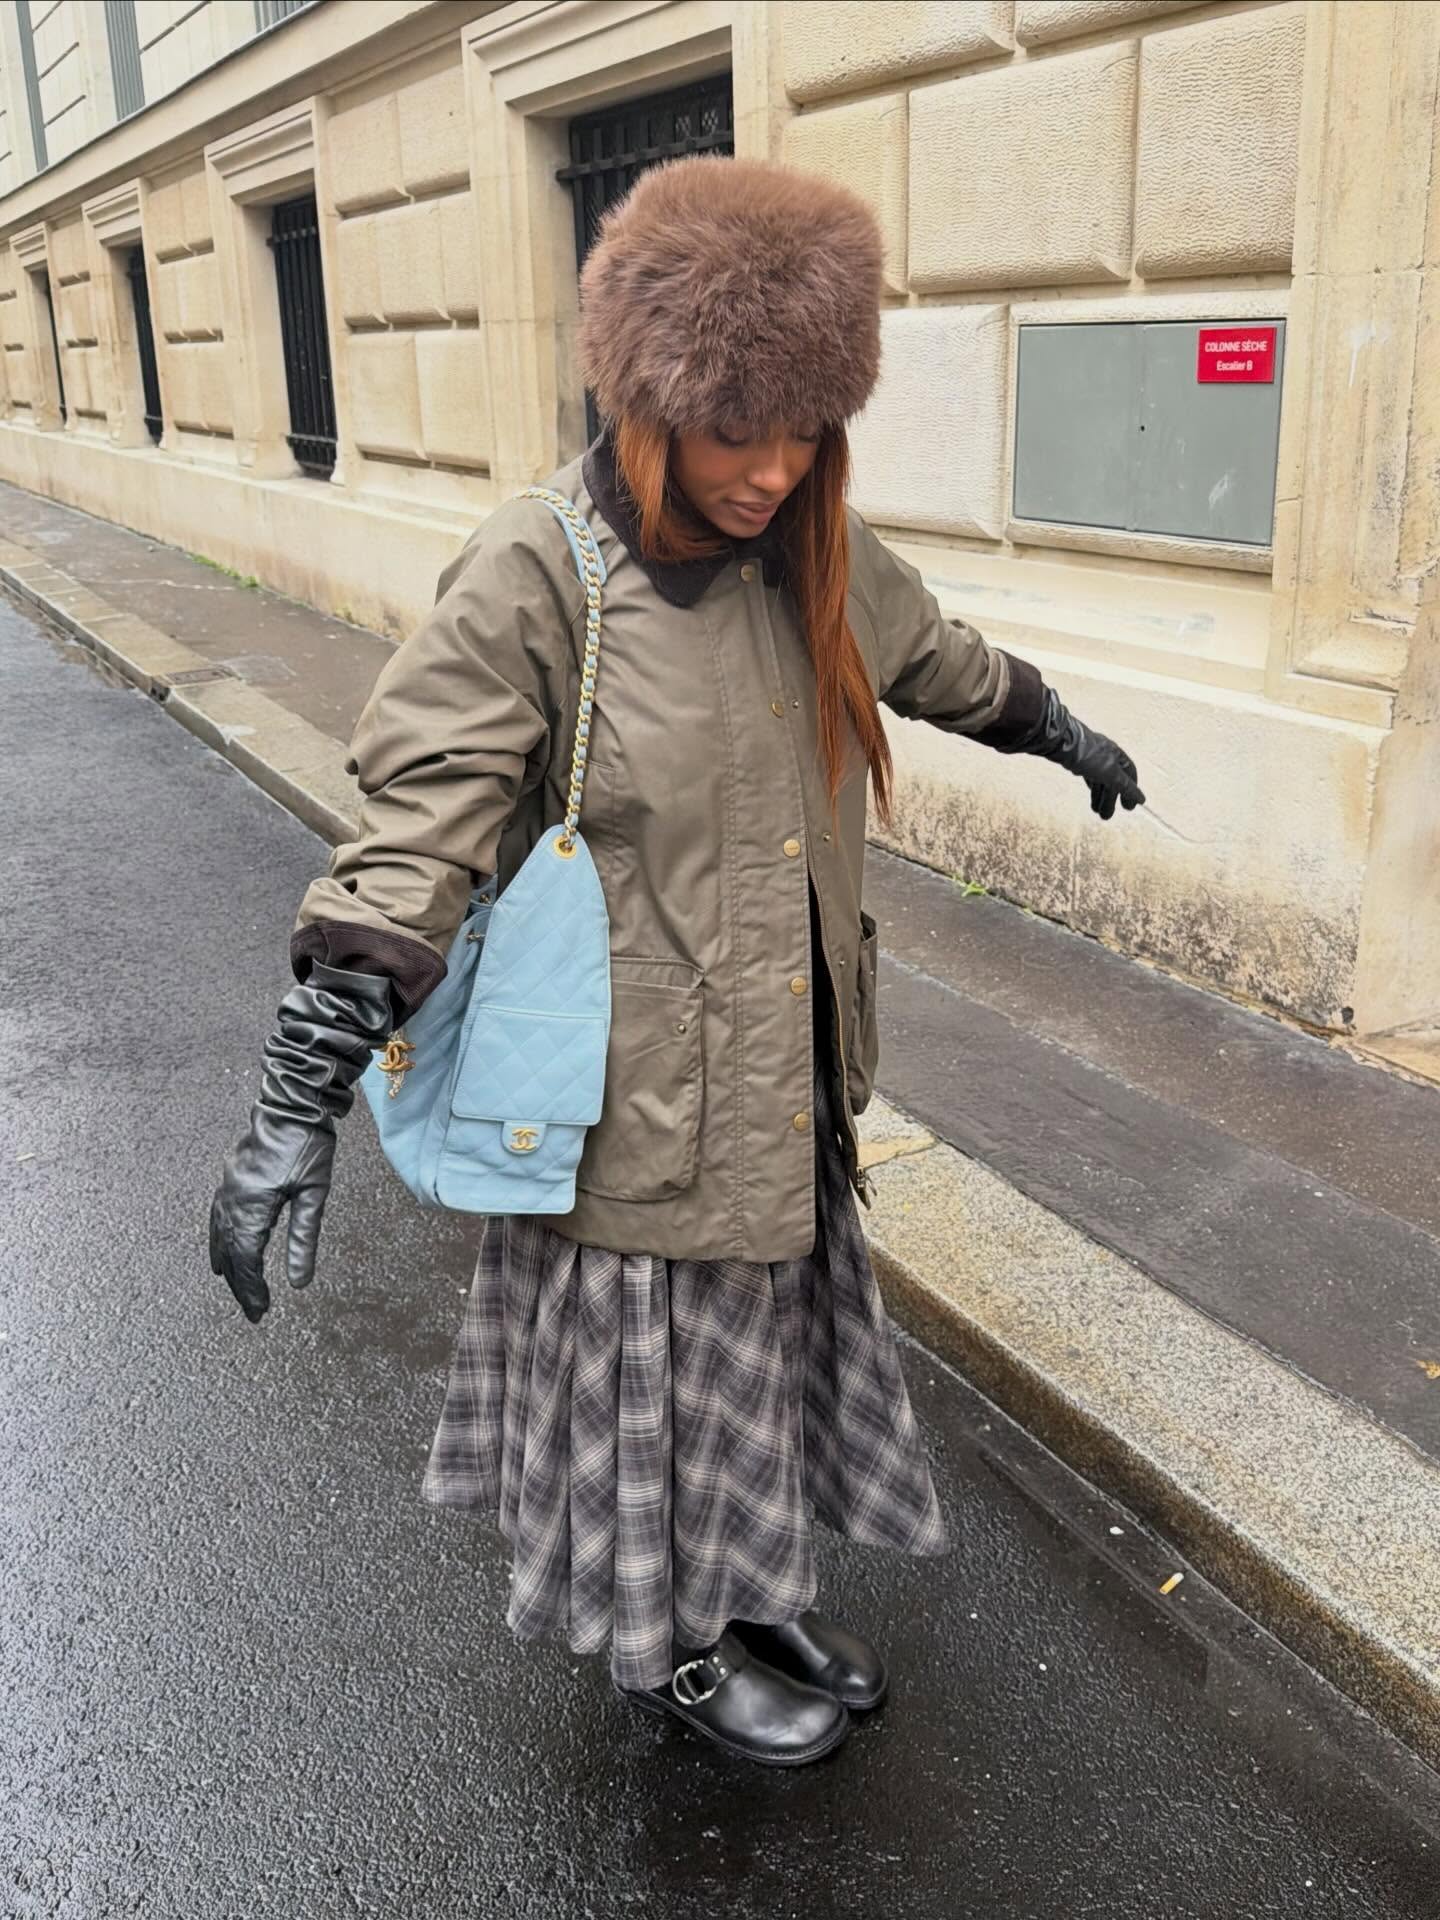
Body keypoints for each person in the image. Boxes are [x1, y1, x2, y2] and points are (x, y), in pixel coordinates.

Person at [209, 156, 1143, 1770]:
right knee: (663, 1396)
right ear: (651, 402)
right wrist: (293, 1102)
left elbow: (933, 655)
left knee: (760, 1379)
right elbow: (419, 829)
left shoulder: (810, 553)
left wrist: (1060, 728)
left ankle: (746, 1590)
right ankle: (671, 1651)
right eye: (734, 427)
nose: (772, 468)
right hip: (632, 1109)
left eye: (803, 429)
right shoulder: (543, 568)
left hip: (786, 1078)